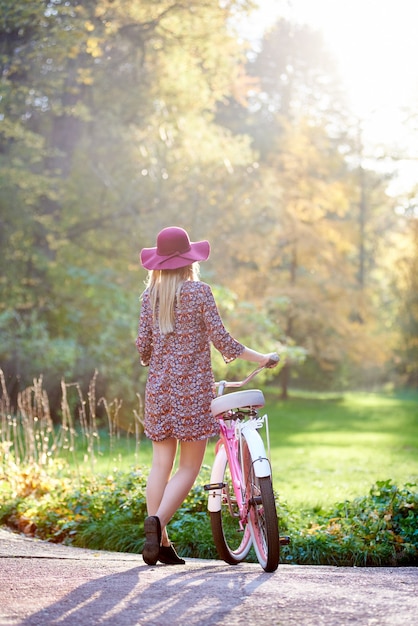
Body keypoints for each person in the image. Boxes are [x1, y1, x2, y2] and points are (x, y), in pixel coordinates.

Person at [136, 226, 278, 566]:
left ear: (158, 264)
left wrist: (157, 355)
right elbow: (224, 342)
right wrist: (263, 359)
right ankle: (156, 524)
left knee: (160, 464)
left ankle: (161, 542)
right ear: (189, 262)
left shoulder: (148, 297)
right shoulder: (200, 293)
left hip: (158, 390)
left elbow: (143, 349)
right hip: (192, 391)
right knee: (188, 467)